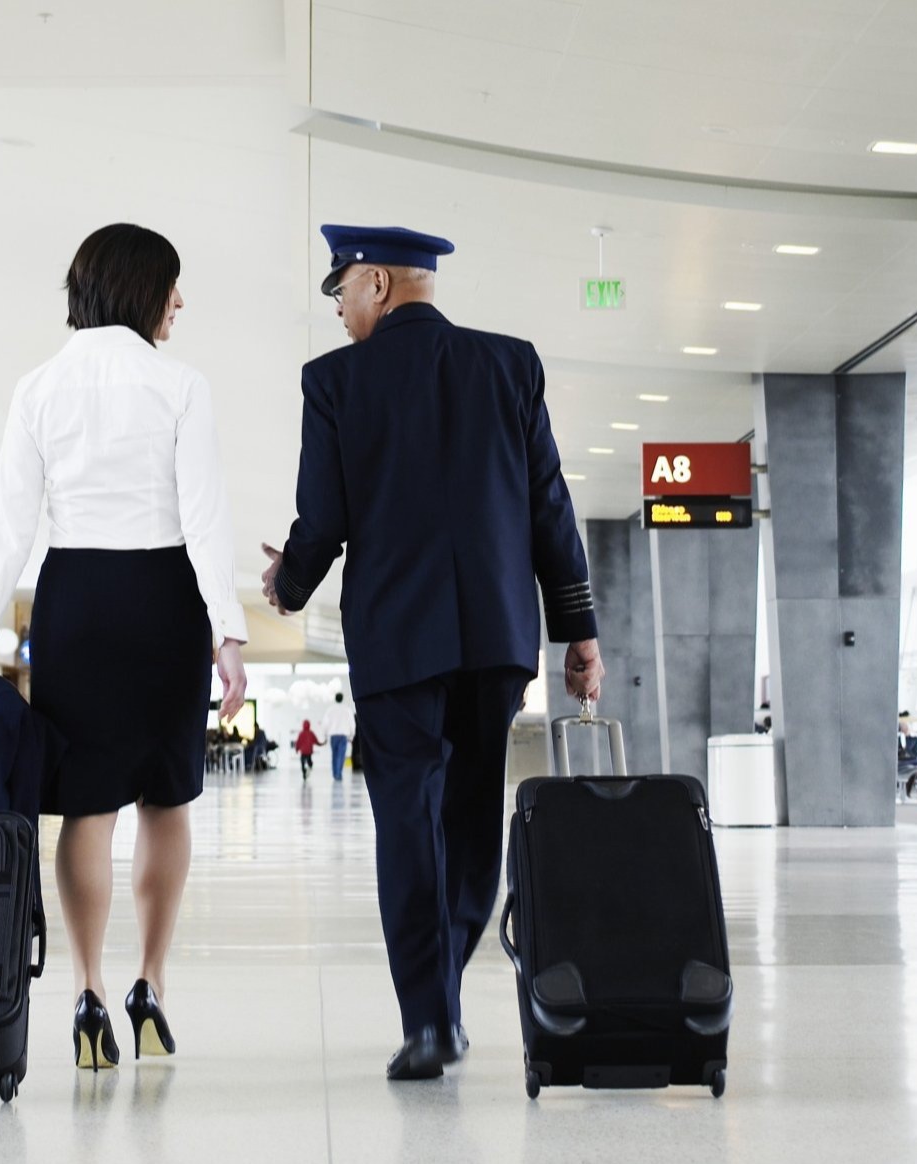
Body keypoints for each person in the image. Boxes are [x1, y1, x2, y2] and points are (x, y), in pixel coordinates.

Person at [263, 224, 603, 1081]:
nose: (338, 309)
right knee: (473, 818)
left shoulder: (334, 381)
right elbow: (548, 504)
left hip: (397, 639)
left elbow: (323, 520)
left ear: (377, 283)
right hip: (496, 637)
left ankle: (429, 1018)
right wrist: (579, 628)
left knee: (408, 823)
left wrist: (288, 585)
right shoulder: (511, 364)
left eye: (342, 289)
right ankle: (442, 990)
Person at [0, 222, 247, 1073]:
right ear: (142, 287)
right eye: (172, 286)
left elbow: (8, 523)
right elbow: (204, 517)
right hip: (164, 598)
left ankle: (87, 991)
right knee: (166, 799)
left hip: (74, 600)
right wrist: (227, 629)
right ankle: (151, 981)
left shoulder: (39, 387)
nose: (179, 302)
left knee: (89, 805)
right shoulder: (180, 386)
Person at [327, 691, 356, 779]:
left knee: (334, 755)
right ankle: (338, 774)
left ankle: (335, 773)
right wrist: (351, 736)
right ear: (342, 699)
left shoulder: (330, 710)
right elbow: (352, 723)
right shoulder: (347, 710)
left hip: (333, 735)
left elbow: (326, 723)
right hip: (343, 735)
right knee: (341, 755)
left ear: (335, 699)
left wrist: (325, 735)